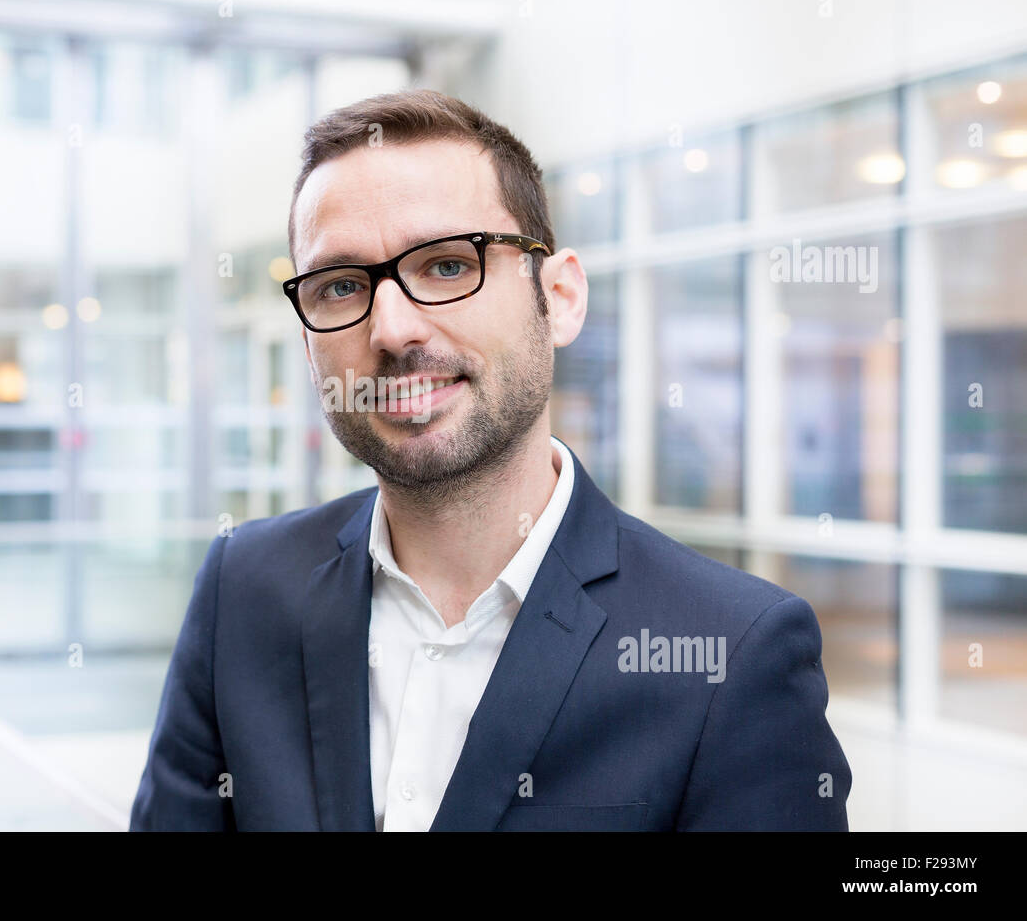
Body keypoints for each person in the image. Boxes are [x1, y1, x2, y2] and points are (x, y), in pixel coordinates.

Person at [130, 89, 851, 831]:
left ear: (560, 296)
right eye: (341, 285)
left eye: (447, 265)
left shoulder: (731, 651)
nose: (392, 328)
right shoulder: (243, 592)